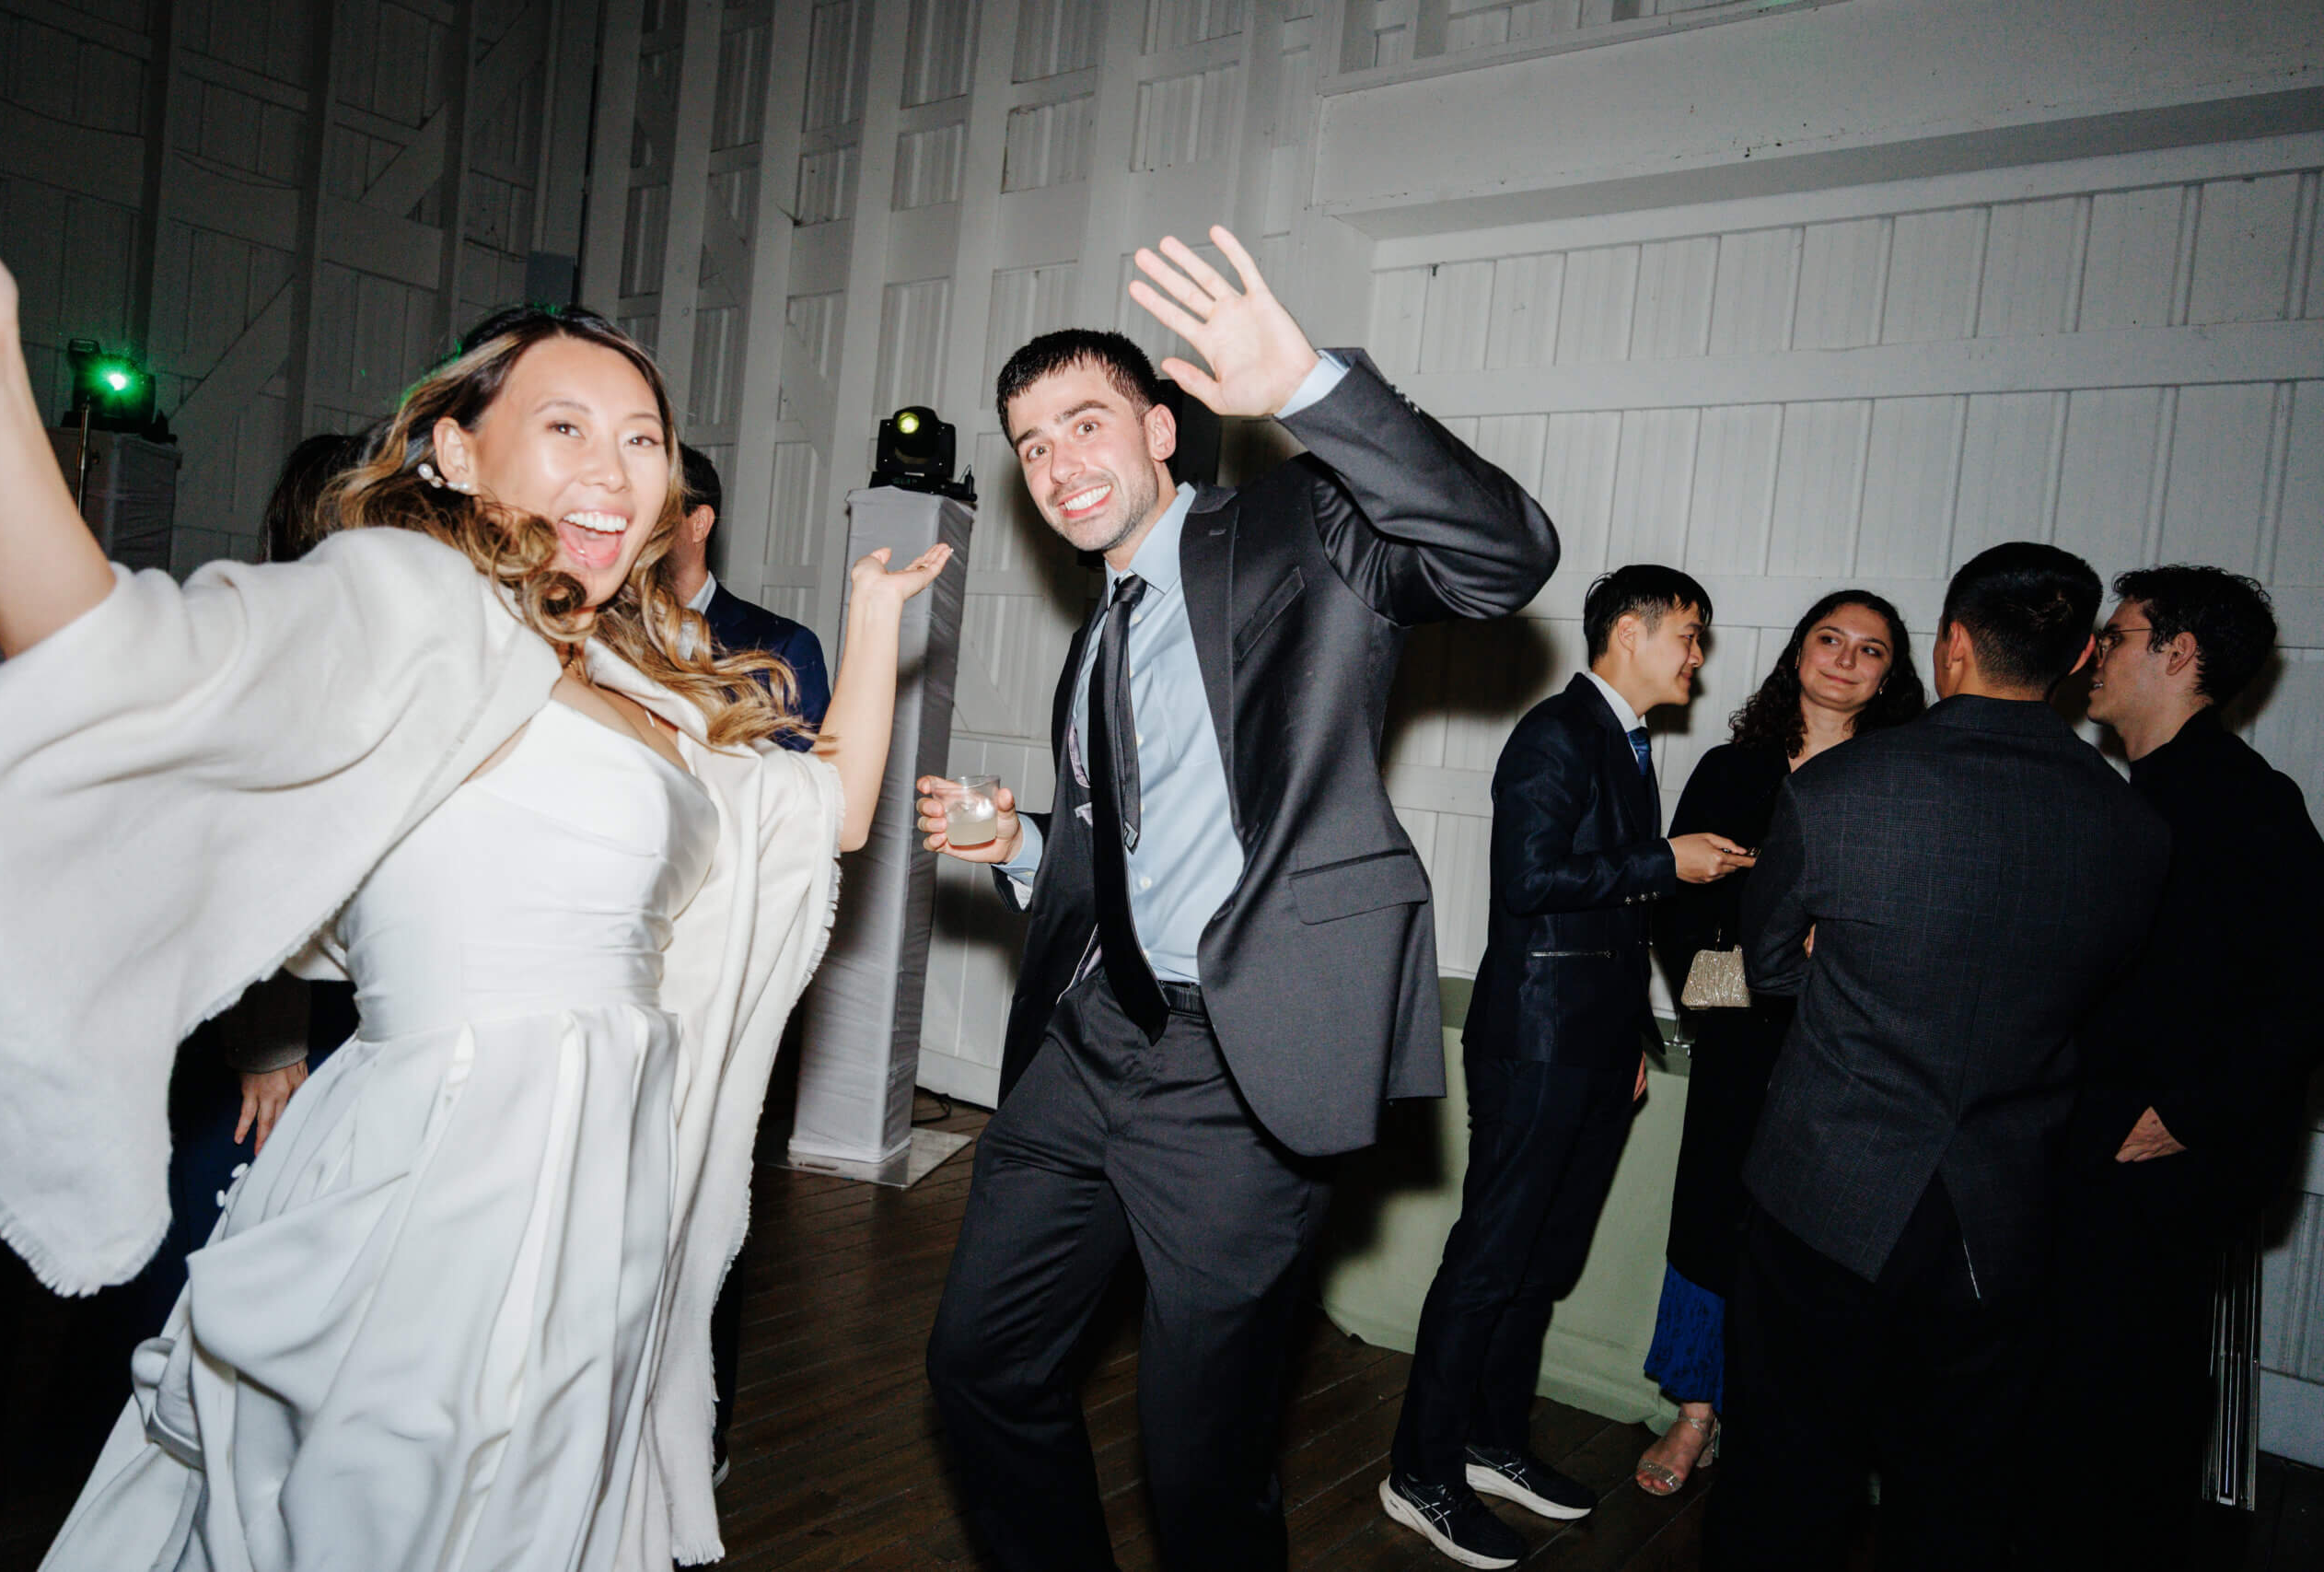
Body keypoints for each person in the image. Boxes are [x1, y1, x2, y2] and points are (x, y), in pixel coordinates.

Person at [0, 204, 948, 1571]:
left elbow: (825, 815)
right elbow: (107, 659)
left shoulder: (633, 683)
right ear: (453, 445)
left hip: (601, 1183)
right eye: (567, 428)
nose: (614, 474)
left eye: (643, 441)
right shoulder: (415, 607)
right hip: (439, 1176)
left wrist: (876, 619)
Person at [915, 226, 1559, 1572]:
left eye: (1083, 423)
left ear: (1161, 426)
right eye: (1031, 446)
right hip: (1090, 1045)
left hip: (1238, 1067)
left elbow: (1505, 557)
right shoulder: (1097, 636)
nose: (1057, 464)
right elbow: (1128, 858)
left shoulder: (1298, 523)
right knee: (979, 1362)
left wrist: (1319, 388)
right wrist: (1019, 838)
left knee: (1198, 1458)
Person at [1701, 542, 2169, 1572]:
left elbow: (1771, 964)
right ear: (2080, 656)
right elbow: (2101, 996)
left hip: (1829, 1184)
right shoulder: (2131, 824)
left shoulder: (1840, 789)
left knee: (1785, 1472)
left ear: (1950, 645)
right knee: (1958, 1485)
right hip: (2003, 1206)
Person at [1385, 565, 1753, 1566]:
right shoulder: (1556, 733)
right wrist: (1664, 861)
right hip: (1533, 1045)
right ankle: (1418, 1470)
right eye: (1687, 633)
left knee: (1540, 1267)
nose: (1696, 656)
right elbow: (1533, 883)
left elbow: (1612, 931)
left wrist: (1630, 1039)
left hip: (1590, 1051)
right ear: (1627, 631)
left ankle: (1490, 1442)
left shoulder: (1625, 743)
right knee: (1488, 1264)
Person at [2029, 566, 2324, 1569]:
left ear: (2180, 654)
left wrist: (2187, 1114)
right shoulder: (2138, 791)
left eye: (2116, 637)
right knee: (2077, 1395)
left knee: (2127, 1405)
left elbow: (2302, 988)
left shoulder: (2242, 802)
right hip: (2096, 1148)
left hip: (2159, 1163)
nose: (2092, 656)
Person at [1635, 590, 1924, 1496]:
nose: (1844, 659)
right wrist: (1737, 1002)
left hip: (1857, 1050)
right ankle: (1694, 1416)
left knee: (1826, 1245)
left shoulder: (1905, 778)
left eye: (1868, 649)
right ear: (1796, 654)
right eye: (1828, 639)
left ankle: (1799, 1430)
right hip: (1739, 1037)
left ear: (1890, 675)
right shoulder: (1733, 767)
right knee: (1716, 1213)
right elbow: (1681, 912)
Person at [673, 441, 832, 1488]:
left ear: (698, 520)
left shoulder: (772, 643)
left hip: (729, 963)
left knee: (711, 1192)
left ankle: (702, 1425)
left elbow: (810, 813)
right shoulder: (585, 629)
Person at [671, 443, 829, 733]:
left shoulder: (780, 649)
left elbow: (805, 775)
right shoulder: (598, 631)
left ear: (699, 525)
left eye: (652, 512)